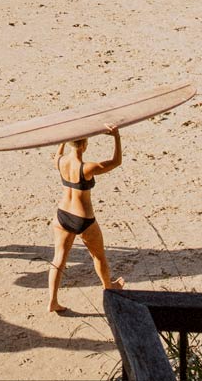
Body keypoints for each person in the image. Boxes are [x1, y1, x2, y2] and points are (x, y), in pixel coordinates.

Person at [47, 127, 125, 313]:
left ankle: (52, 300)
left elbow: (57, 155)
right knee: (98, 256)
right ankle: (109, 287)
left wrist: (64, 138)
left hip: (62, 215)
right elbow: (116, 161)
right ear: (84, 145)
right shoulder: (87, 168)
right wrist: (116, 137)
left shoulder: (60, 162)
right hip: (84, 219)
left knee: (59, 259)